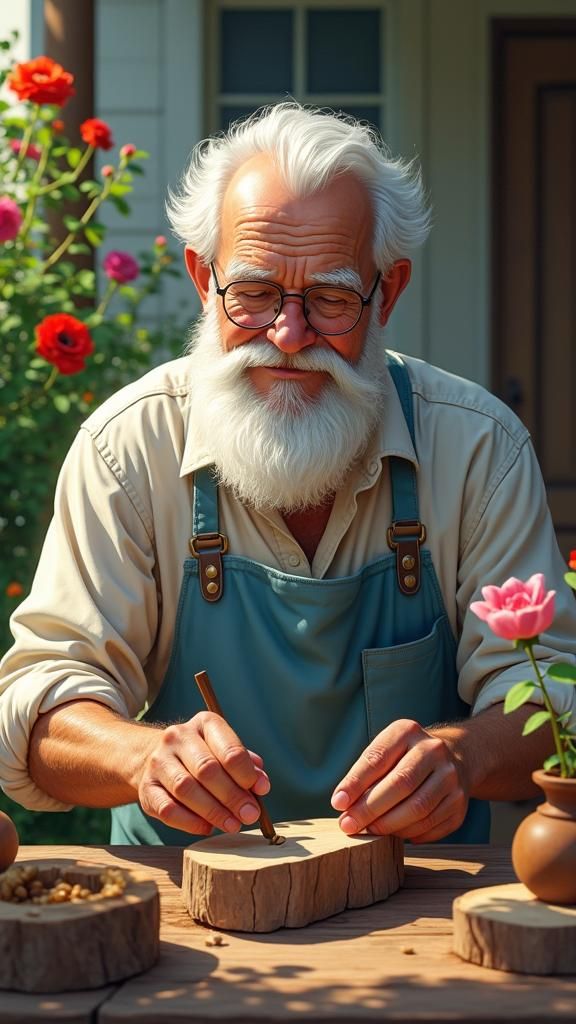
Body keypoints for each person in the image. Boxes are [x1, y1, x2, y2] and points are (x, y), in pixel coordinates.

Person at [1, 104, 575, 846]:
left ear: (387, 293)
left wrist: (464, 758)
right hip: (188, 915)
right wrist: (146, 756)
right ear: (204, 279)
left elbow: (554, 695)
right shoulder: (127, 446)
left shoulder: (477, 449)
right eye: (254, 291)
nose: (289, 335)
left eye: (332, 298)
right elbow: (37, 706)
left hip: (423, 902)